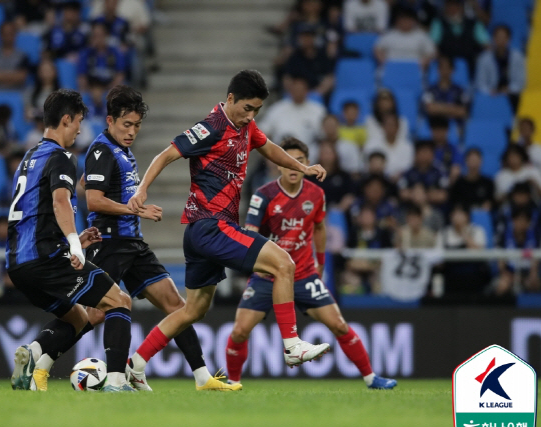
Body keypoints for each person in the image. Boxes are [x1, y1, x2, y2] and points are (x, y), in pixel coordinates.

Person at [124, 70, 331, 386]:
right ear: (230, 98)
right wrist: (141, 190)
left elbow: (271, 148)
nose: (251, 116)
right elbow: (166, 154)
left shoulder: (245, 127)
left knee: (192, 310)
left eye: (257, 111)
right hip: (211, 226)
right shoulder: (211, 128)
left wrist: (302, 168)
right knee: (283, 263)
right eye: (247, 108)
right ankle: (292, 345)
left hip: (200, 232)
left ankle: (136, 364)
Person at [83, 85, 233, 391]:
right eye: (127, 125)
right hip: (109, 244)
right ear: (110, 120)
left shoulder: (122, 152)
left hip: (133, 246)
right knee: (96, 313)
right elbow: (94, 201)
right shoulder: (100, 149)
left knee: (176, 305)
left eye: (137, 126)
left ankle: (202, 377)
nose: (132, 132)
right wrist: (134, 210)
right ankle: (40, 353)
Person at [225, 137, 396, 389]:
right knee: (239, 331)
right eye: (289, 161)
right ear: (279, 165)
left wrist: (321, 262)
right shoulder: (263, 196)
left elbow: (319, 228)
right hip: (267, 276)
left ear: (307, 164)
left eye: (301, 161)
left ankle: (371, 378)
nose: (295, 167)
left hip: (304, 275)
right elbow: (249, 233)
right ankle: (232, 382)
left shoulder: (316, 194)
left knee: (339, 325)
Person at [6, 89, 135, 392]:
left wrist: (74, 240)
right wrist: (74, 246)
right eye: (78, 121)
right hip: (46, 258)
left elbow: (32, 216)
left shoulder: (28, 159)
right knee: (120, 301)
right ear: (66, 119)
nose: (79, 129)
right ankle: (117, 382)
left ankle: (33, 354)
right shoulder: (62, 156)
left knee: (80, 318)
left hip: (18, 264)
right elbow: (60, 202)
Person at [259, 74, 326, 146]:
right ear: (290, 91)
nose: (298, 92)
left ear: (307, 91)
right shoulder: (277, 108)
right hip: (280, 151)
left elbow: (324, 135)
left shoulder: (318, 110)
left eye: (301, 89)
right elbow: (263, 130)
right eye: (295, 89)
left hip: (309, 153)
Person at [441, 203, 490, 295]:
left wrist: (464, 234)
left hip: (473, 277)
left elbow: (482, 254)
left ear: (467, 216)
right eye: (454, 214)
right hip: (451, 277)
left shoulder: (478, 231)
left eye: (460, 214)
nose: (457, 217)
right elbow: (439, 259)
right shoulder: (444, 233)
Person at [429, 0, 489, 74]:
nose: (452, 8)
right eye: (449, 5)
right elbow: (433, 45)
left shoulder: (474, 23)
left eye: (455, 5)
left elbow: (486, 44)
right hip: (445, 67)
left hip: (471, 66)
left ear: (461, 7)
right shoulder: (438, 22)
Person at [475, 24, 526, 111]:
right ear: (493, 38)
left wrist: (508, 89)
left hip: (511, 95)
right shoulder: (484, 58)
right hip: (490, 95)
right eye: (498, 37)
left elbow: (521, 82)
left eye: (503, 37)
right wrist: (490, 91)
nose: (500, 40)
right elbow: (480, 83)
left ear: (509, 39)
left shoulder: (518, 57)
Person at [282, 24, 336, 97]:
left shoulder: (322, 56)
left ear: (313, 38)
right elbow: (287, 78)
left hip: (317, 93)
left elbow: (329, 78)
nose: (306, 39)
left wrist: (317, 93)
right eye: (303, 37)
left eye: (308, 36)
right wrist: (295, 91)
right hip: (297, 93)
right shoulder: (294, 56)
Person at [420, 55, 471, 127]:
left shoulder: (460, 91)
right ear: (438, 70)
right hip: (435, 128)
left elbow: (463, 111)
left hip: (456, 129)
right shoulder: (430, 90)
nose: (444, 71)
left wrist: (439, 108)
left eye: (447, 68)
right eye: (442, 68)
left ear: (452, 70)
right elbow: (430, 109)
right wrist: (453, 109)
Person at [398, 140, 448, 209]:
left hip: (433, 209)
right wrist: (415, 194)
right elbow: (402, 193)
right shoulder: (409, 172)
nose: (426, 155)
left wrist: (424, 195)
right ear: (416, 154)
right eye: (423, 152)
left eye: (429, 152)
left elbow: (443, 195)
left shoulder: (439, 172)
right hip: (412, 210)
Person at [77, 22, 125, 92]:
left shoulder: (116, 53)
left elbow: (120, 76)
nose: (98, 39)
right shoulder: (85, 54)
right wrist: (93, 91)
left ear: (106, 36)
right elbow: (82, 79)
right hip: (91, 91)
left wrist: (108, 92)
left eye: (100, 35)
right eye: (95, 36)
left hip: (110, 91)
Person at [363, 112, 414, 178]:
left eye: (393, 125)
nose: (390, 128)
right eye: (388, 125)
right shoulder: (372, 144)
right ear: (383, 127)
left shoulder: (407, 146)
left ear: (398, 127)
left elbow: (408, 167)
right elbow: (366, 166)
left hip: (400, 180)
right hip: (378, 179)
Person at [0, 21, 30, 90]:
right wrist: (12, 76)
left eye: (10, 33)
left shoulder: (23, 55)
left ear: (15, 34)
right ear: (1, 35)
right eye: (5, 33)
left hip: (16, 92)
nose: (8, 36)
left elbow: (22, 77)